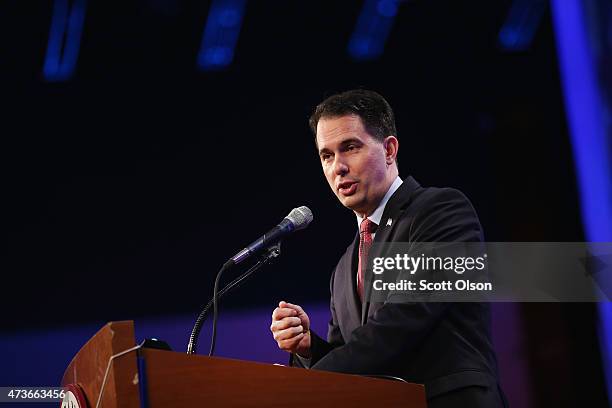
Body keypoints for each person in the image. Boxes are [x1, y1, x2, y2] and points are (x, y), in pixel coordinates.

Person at [270, 89, 507, 407]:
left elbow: (404, 320)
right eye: (327, 156)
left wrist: (300, 387)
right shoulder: (343, 268)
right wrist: (308, 347)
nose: (338, 167)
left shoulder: (441, 211)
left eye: (350, 147)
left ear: (390, 149)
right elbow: (350, 359)